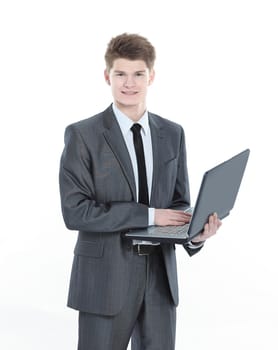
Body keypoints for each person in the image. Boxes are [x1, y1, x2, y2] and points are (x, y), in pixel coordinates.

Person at [59, 33, 222, 350]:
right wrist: (148, 215)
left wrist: (195, 234)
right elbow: (75, 211)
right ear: (107, 76)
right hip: (105, 278)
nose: (129, 83)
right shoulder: (83, 135)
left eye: (138, 74)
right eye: (120, 74)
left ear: (152, 76)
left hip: (160, 277)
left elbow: (178, 203)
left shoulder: (172, 133)